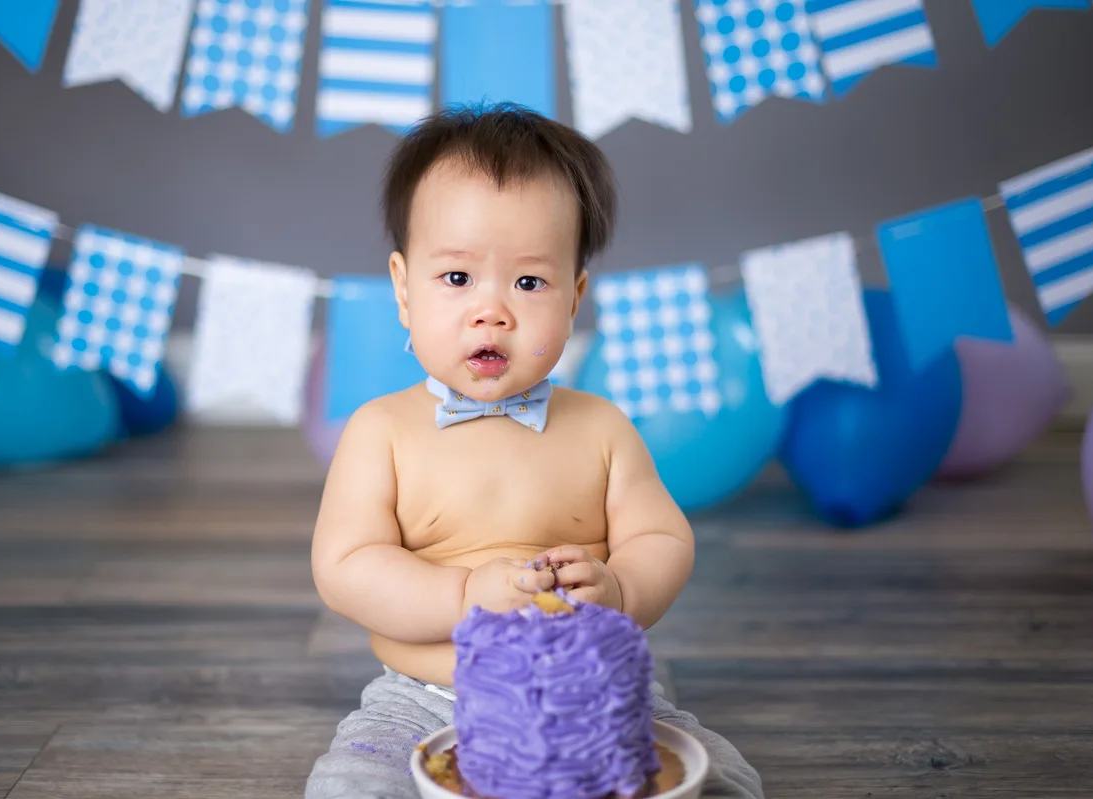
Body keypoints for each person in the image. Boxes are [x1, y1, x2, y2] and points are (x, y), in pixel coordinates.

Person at [306, 103, 763, 799]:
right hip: (432, 696)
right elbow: (345, 566)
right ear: (403, 289)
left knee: (724, 777)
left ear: (575, 296)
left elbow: (661, 535)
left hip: (592, 690)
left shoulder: (601, 427)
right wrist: (462, 594)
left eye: (529, 282)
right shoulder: (382, 431)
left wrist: (619, 589)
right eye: (457, 278)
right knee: (350, 786)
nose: (493, 311)